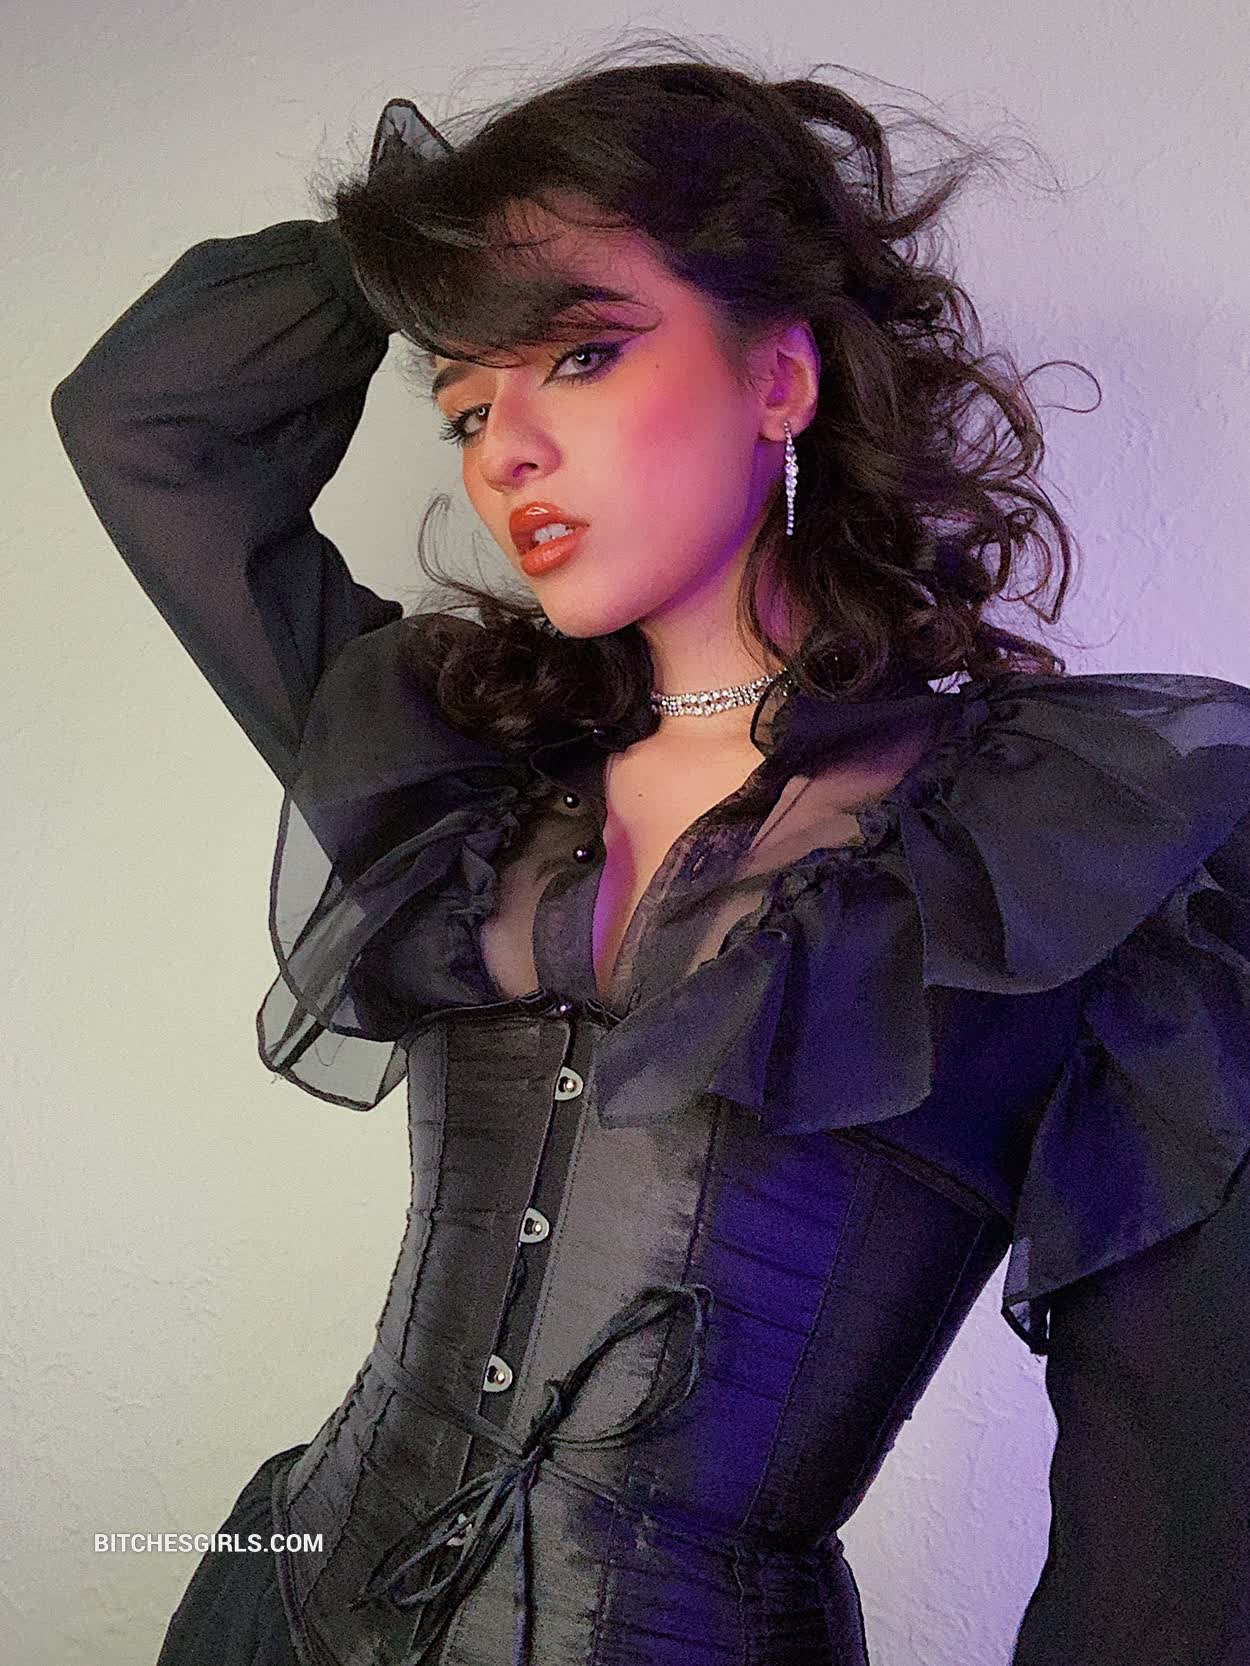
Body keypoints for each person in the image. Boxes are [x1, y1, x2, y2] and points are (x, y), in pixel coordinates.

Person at [50, 39, 1250, 1666]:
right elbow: (148, 424)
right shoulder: (450, 762)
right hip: (276, 1614)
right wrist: (416, 241)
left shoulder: (1060, 848)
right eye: (465, 402)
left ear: (781, 375)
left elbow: (1175, 1511)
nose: (502, 451)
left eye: (580, 354)